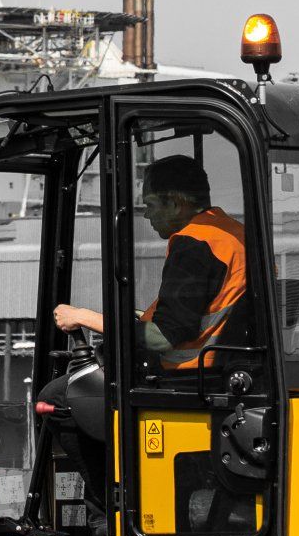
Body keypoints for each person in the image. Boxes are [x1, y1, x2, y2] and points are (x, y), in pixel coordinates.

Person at [40, 157, 249, 501]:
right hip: (220, 370)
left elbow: (163, 337)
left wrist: (84, 317)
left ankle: (106, 520)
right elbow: (194, 314)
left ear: (177, 202)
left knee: (57, 398)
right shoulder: (232, 235)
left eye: (151, 205)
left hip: (183, 376)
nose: (147, 216)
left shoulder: (196, 243)